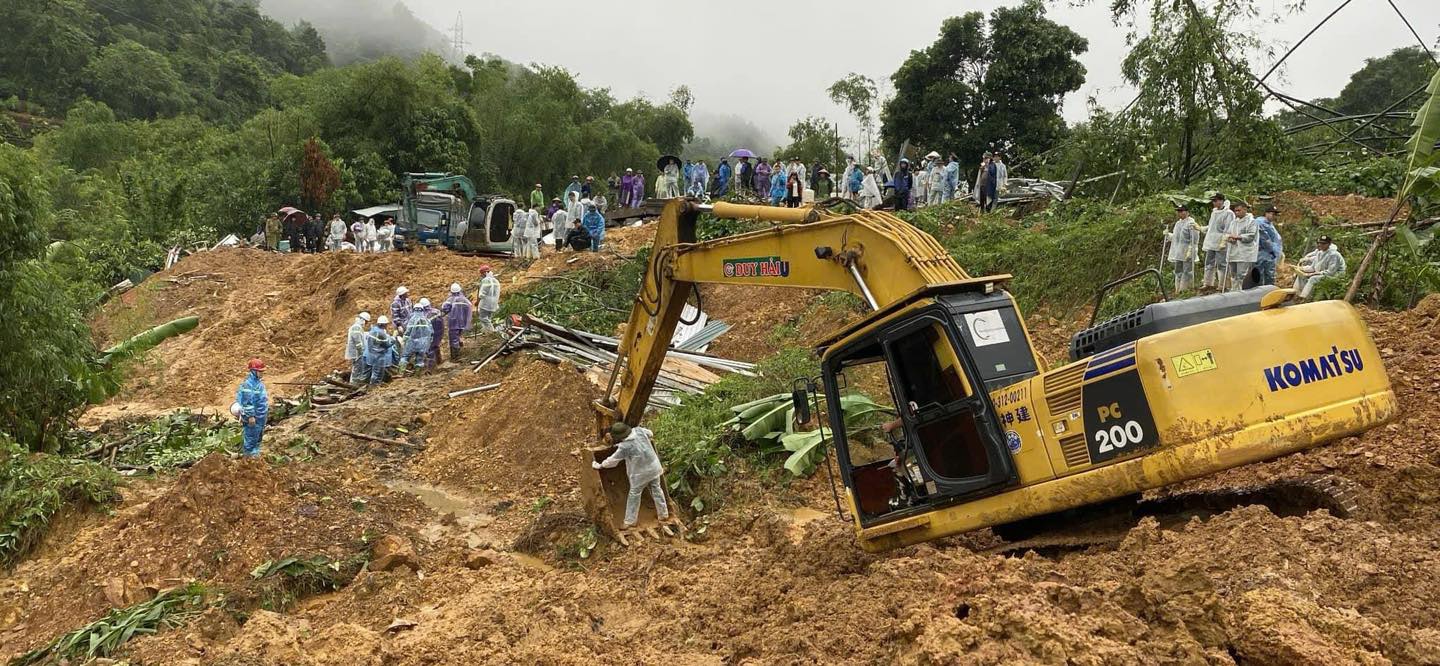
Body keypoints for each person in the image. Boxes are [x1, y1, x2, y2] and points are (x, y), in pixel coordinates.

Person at [593, 422, 670, 531]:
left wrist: (600, 465)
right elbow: (651, 434)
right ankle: (663, 514)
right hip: (654, 468)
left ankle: (630, 521)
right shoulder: (639, 430)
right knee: (657, 489)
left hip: (640, 475)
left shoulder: (625, 447)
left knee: (634, 495)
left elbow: (613, 461)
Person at [1293, 235, 1347, 300]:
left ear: (1329, 244)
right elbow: (1312, 268)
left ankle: (1305, 298)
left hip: (1335, 276)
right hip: (1322, 273)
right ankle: (1297, 294)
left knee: (1313, 278)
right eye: (1319, 243)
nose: (1321, 245)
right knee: (1301, 276)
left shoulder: (1334, 255)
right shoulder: (1319, 253)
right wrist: (1300, 269)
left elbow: (1330, 272)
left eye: (1323, 243)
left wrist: (1315, 273)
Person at [1165, 205, 1203, 293]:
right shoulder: (1178, 223)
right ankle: (1177, 289)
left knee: (1187, 271)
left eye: (1182, 211)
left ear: (1187, 212)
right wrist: (1168, 235)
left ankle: (1186, 289)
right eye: (1178, 211)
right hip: (1178, 251)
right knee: (1178, 271)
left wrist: (1191, 250)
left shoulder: (1191, 223)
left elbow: (1195, 239)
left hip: (1187, 250)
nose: (1180, 213)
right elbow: (1176, 238)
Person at [236, 358, 269, 457]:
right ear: (254, 371)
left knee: (257, 440)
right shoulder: (248, 384)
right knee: (251, 441)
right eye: (260, 371)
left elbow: (261, 400)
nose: (262, 373)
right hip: (253, 419)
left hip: (260, 418)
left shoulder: (258, 384)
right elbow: (247, 401)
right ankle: (248, 461)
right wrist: (250, 416)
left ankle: (255, 459)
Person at [1201, 193, 1235, 290]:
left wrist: (1224, 241)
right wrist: (1202, 228)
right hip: (1211, 242)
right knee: (1209, 263)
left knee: (1222, 264)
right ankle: (1207, 283)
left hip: (1221, 242)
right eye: (1213, 201)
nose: (1214, 203)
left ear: (1221, 201)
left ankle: (1223, 284)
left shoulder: (1228, 213)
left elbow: (1228, 228)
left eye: (1215, 200)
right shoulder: (1214, 212)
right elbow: (1212, 227)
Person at [1225, 201, 1259, 291]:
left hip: (1245, 252)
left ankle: (1242, 291)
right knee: (1233, 273)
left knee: (1242, 274)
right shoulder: (1234, 222)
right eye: (1235, 211)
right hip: (1233, 251)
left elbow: (1251, 236)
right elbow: (1228, 233)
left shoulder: (1251, 221)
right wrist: (1230, 238)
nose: (1237, 213)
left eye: (1239, 210)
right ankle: (1234, 290)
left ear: (1245, 209)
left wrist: (1238, 237)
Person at [441, 283, 473, 361]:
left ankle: (455, 357)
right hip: (462, 323)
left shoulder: (450, 300)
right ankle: (459, 349)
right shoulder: (465, 300)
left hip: (453, 322)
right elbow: (469, 307)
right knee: (458, 336)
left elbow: (445, 308)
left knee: (453, 339)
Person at [1256, 205, 1285, 286]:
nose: (1274, 216)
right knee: (1262, 274)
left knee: (1270, 275)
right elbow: (1264, 239)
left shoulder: (1269, 224)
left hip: (1270, 254)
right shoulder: (1261, 223)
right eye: (1273, 214)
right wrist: (1272, 251)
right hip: (1264, 252)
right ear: (1266, 213)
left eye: (1275, 215)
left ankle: (1268, 291)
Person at [402, 301, 434, 373]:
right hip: (423, 344)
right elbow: (431, 332)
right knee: (420, 360)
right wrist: (428, 342)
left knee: (405, 357)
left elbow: (408, 331)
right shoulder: (427, 320)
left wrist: (404, 339)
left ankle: (401, 372)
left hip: (411, 343)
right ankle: (417, 374)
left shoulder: (411, 320)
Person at [363, 316, 394, 385]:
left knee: (372, 372)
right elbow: (387, 345)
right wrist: (393, 340)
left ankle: (368, 385)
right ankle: (374, 387)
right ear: (384, 324)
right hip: (379, 356)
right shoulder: (381, 333)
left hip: (371, 354)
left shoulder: (372, 330)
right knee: (377, 373)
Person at [346, 311, 372, 385]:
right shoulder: (356, 327)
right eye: (366, 322)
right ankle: (354, 384)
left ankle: (354, 383)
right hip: (356, 353)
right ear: (363, 320)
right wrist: (362, 351)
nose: (366, 324)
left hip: (357, 352)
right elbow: (357, 341)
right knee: (357, 369)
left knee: (357, 368)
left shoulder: (357, 327)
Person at [476, 265, 501, 331]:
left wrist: (478, 301)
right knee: (488, 318)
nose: (481, 275)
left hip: (485, 303)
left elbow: (482, 294)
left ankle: (491, 330)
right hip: (494, 303)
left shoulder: (486, 280)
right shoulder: (495, 281)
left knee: (483, 318)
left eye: (481, 274)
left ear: (484, 273)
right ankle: (486, 330)